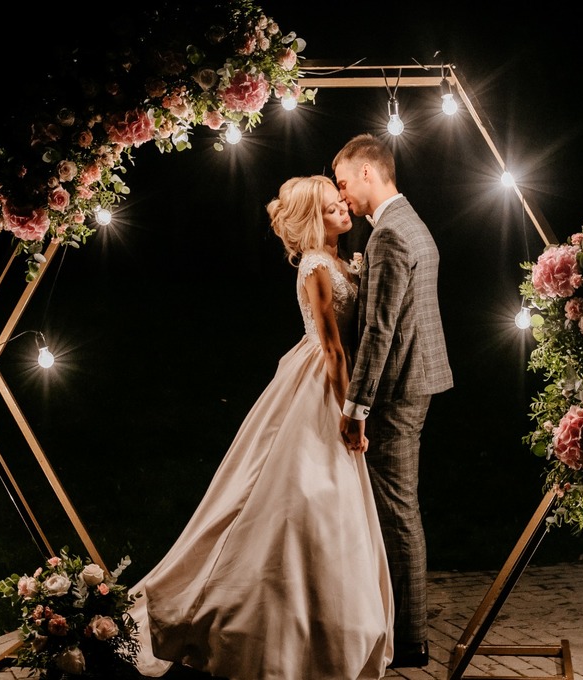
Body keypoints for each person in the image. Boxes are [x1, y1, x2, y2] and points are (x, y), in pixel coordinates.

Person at [127, 175, 394, 679]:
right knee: (302, 492)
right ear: (313, 219)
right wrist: (350, 414)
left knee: (327, 501)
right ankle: (259, 618)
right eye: (331, 205)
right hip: (320, 381)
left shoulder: (341, 259)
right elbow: (333, 349)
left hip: (331, 375)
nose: (343, 206)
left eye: (340, 200)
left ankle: (325, 622)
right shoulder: (316, 266)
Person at [332, 133, 454, 669]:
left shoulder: (387, 235)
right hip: (417, 380)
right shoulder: (410, 221)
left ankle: (410, 639)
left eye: (343, 182)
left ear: (367, 172)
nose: (342, 195)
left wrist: (355, 408)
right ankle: (403, 627)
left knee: (399, 512)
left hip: (398, 389)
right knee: (400, 507)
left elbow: (380, 330)